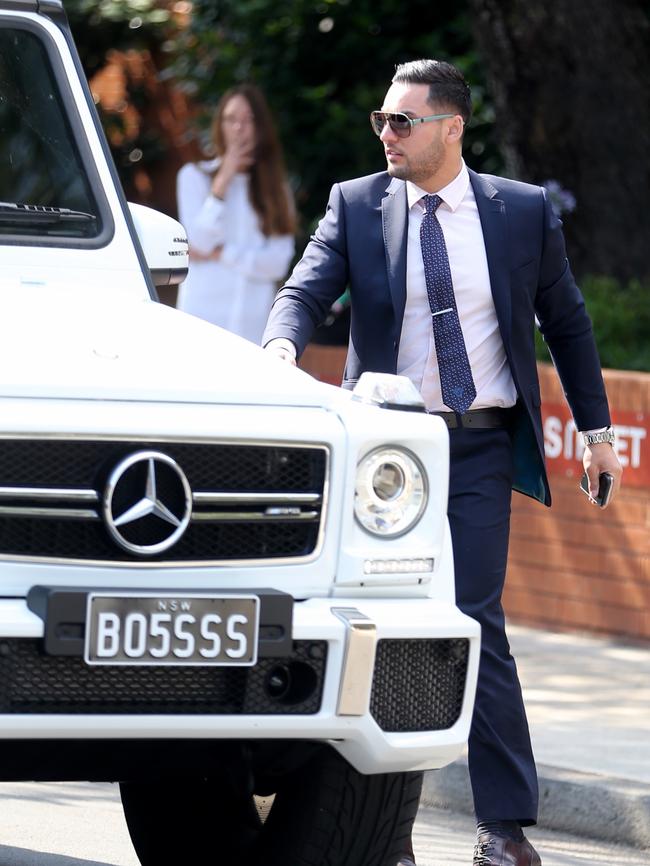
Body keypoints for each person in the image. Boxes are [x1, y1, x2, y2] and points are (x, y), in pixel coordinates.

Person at [263, 59, 623, 866]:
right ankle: (374, 826)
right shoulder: (357, 205)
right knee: (376, 625)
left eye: (402, 122)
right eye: (381, 121)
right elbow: (305, 287)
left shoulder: (519, 213)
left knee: (471, 618)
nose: (386, 134)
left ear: (451, 127)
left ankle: (505, 830)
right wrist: (282, 342)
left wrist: (597, 433)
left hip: (480, 445)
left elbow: (567, 323)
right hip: (386, 458)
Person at [176, 83, 296, 344]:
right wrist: (223, 180)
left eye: (248, 120)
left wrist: (221, 253)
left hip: (253, 323)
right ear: (220, 125)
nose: (239, 129)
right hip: (201, 319)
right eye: (231, 119)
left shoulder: (276, 189)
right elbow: (198, 242)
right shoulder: (193, 177)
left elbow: (278, 262)